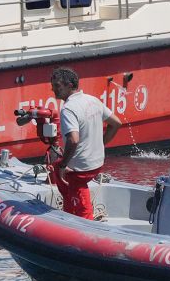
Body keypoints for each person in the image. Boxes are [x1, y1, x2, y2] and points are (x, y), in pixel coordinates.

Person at [50, 67, 121, 220]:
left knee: (65, 175)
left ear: (69, 85)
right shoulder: (92, 100)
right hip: (98, 162)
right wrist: (101, 144)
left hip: (81, 168)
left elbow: (73, 139)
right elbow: (116, 123)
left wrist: (64, 165)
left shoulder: (68, 108)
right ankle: (70, 206)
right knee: (56, 167)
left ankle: (84, 220)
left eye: (57, 85)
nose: (53, 89)